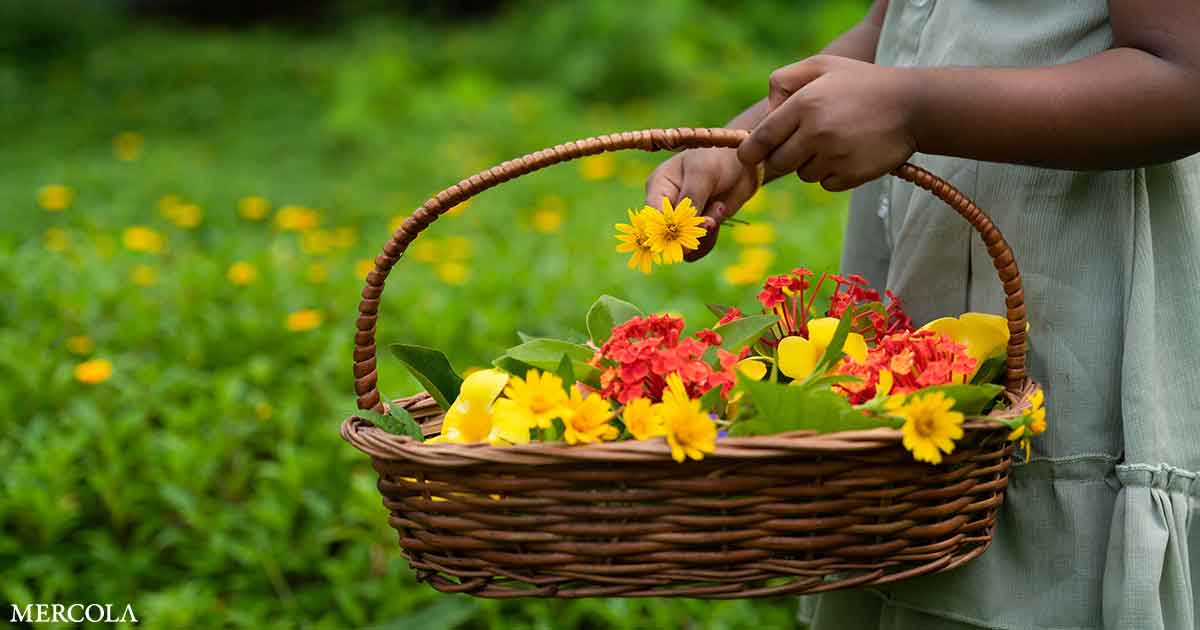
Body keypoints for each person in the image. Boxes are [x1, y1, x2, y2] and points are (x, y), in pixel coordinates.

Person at [644, 1, 1200, 629]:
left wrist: (912, 111)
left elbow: (1186, 77)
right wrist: (749, 142)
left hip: (1074, 321)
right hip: (932, 297)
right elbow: (898, 23)